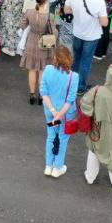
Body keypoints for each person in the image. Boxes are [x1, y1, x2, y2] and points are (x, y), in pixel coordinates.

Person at [65, 0, 108, 90]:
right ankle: (81, 86)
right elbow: (104, 23)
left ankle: (72, 83)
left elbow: (66, 10)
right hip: (91, 37)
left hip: (77, 33)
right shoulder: (99, 1)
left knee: (76, 59)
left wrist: (77, 11)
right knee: (86, 62)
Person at [40, 45, 78, 178]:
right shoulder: (74, 76)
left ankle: (48, 166)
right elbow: (70, 100)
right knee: (63, 138)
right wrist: (60, 115)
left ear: (55, 58)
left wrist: (53, 112)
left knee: (51, 136)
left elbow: (43, 92)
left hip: (50, 111)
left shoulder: (48, 70)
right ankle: (57, 168)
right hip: (65, 114)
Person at [21, 0, 56, 104]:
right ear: (46, 1)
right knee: (42, 71)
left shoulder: (29, 12)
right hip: (45, 44)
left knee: (32, 70)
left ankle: (32, 95)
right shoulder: (50, 16)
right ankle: (41, 96)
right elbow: (55, 33)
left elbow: (23, 25)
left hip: (31, 42)